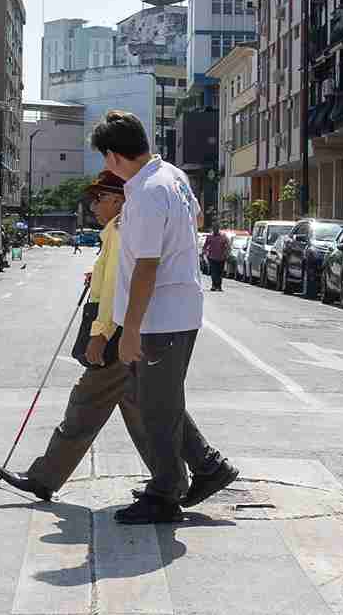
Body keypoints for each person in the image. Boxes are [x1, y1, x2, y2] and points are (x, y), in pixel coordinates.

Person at [0, 172, 186, 502]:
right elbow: (110, 278)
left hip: (116, 336)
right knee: (146, 408)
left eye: (98, 198)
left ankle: (46, 477)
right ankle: (178, 478)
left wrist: (100, 335)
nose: (93, 205)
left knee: (89, 404)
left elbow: (116, 289)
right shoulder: (116, 231)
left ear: (118, 199)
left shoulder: (120, 229)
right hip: (127, 332)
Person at [93, 109, 237, 525]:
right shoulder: (171, 175)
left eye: (105, 158)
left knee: (155, 410)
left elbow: (147, 266)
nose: (105, 167)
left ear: (116, 157)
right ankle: (208, 468)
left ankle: (165, 491)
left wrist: (131, 329)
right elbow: (196, 219)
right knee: (157, 401)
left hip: (160, 319)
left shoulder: (148, 193)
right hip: (177, 310)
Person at [203, 225, 229, 292]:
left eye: (216, 229)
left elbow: (227, 246)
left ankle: (219, 286)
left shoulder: (223, 237)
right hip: (212, 257)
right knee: (213, 272)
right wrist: (205, 252)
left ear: (218, 229)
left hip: (221, 258)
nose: (215, 230)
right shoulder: (210, 237)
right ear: (213, 230)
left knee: (220, 272)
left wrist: (226, 254)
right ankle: (214, 285)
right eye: (214, 229)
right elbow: (205, 245)